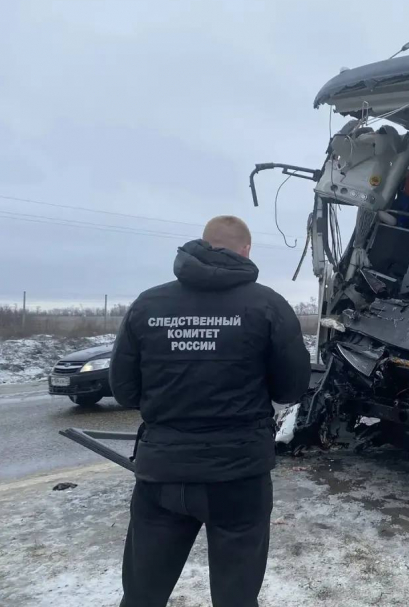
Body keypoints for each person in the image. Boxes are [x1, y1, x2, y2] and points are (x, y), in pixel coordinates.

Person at [110, 215, 311, 607]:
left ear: (200, 246)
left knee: (141, 596)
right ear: (246, 249)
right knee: (236, 600)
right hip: (239, 478)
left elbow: (124, 390)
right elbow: (291, 389)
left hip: (162, 475)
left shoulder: (148, 304)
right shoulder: (268, 305)